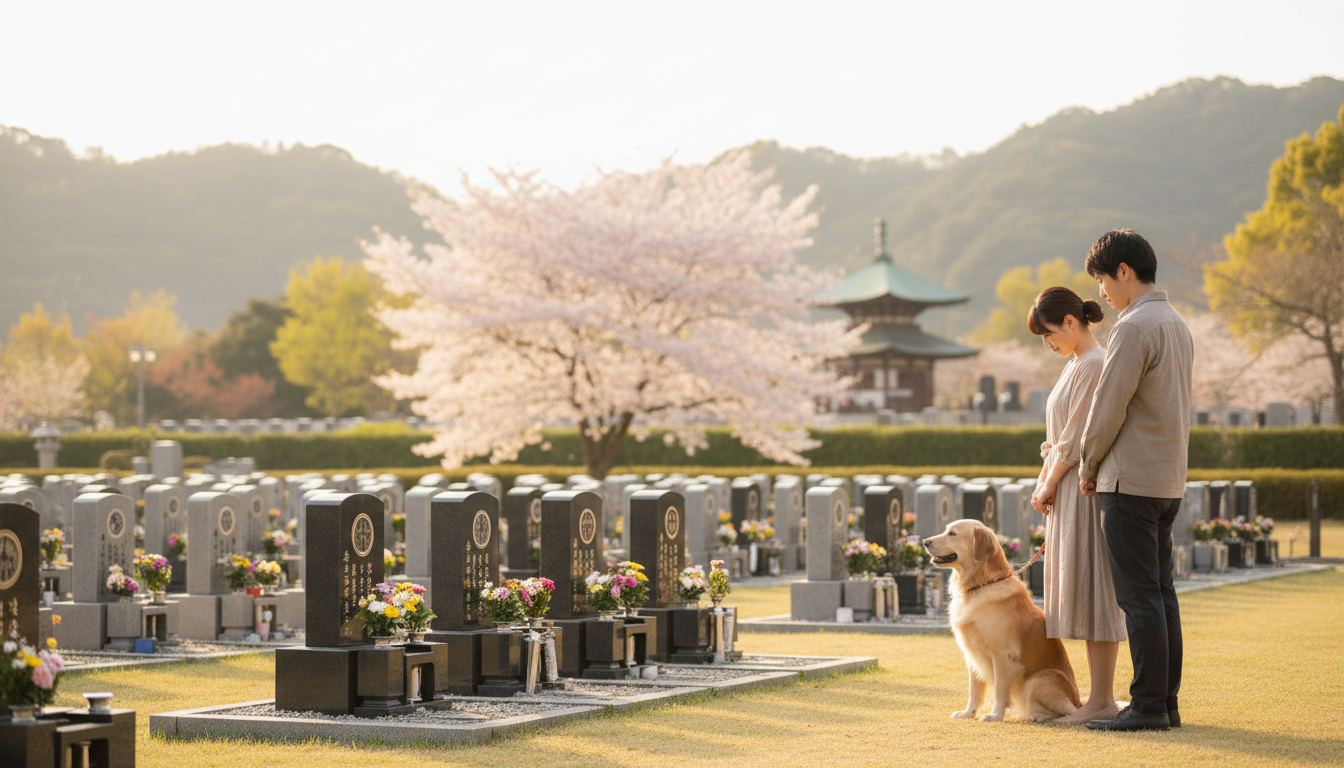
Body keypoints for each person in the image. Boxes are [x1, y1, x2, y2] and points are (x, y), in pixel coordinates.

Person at [1077, 229, 1194, 733]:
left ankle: (1146, 706)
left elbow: (1108, 408)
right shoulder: (1177, 323)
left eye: (1103, 279)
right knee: (1161, 593)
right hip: (1168, 480)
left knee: (1139, 597)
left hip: (1128, 481)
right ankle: (1164, 702)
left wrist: (1087, 465)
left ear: (1123, 272)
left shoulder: (1132, 328)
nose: (1102, 291)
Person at [1027, 286, 1127, 724]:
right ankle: (1095, 697)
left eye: (1048, 334)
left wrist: (1047, 483)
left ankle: (1102, 699)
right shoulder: (1075, 364)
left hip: (1079, 490)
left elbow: (1073, 441)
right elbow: (1061, 440)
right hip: (1065, 488)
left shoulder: (1093, 364)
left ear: (1070, 322)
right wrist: (1045, 482)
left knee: (1095, 589)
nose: (1047, 344)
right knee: (1082, 589)